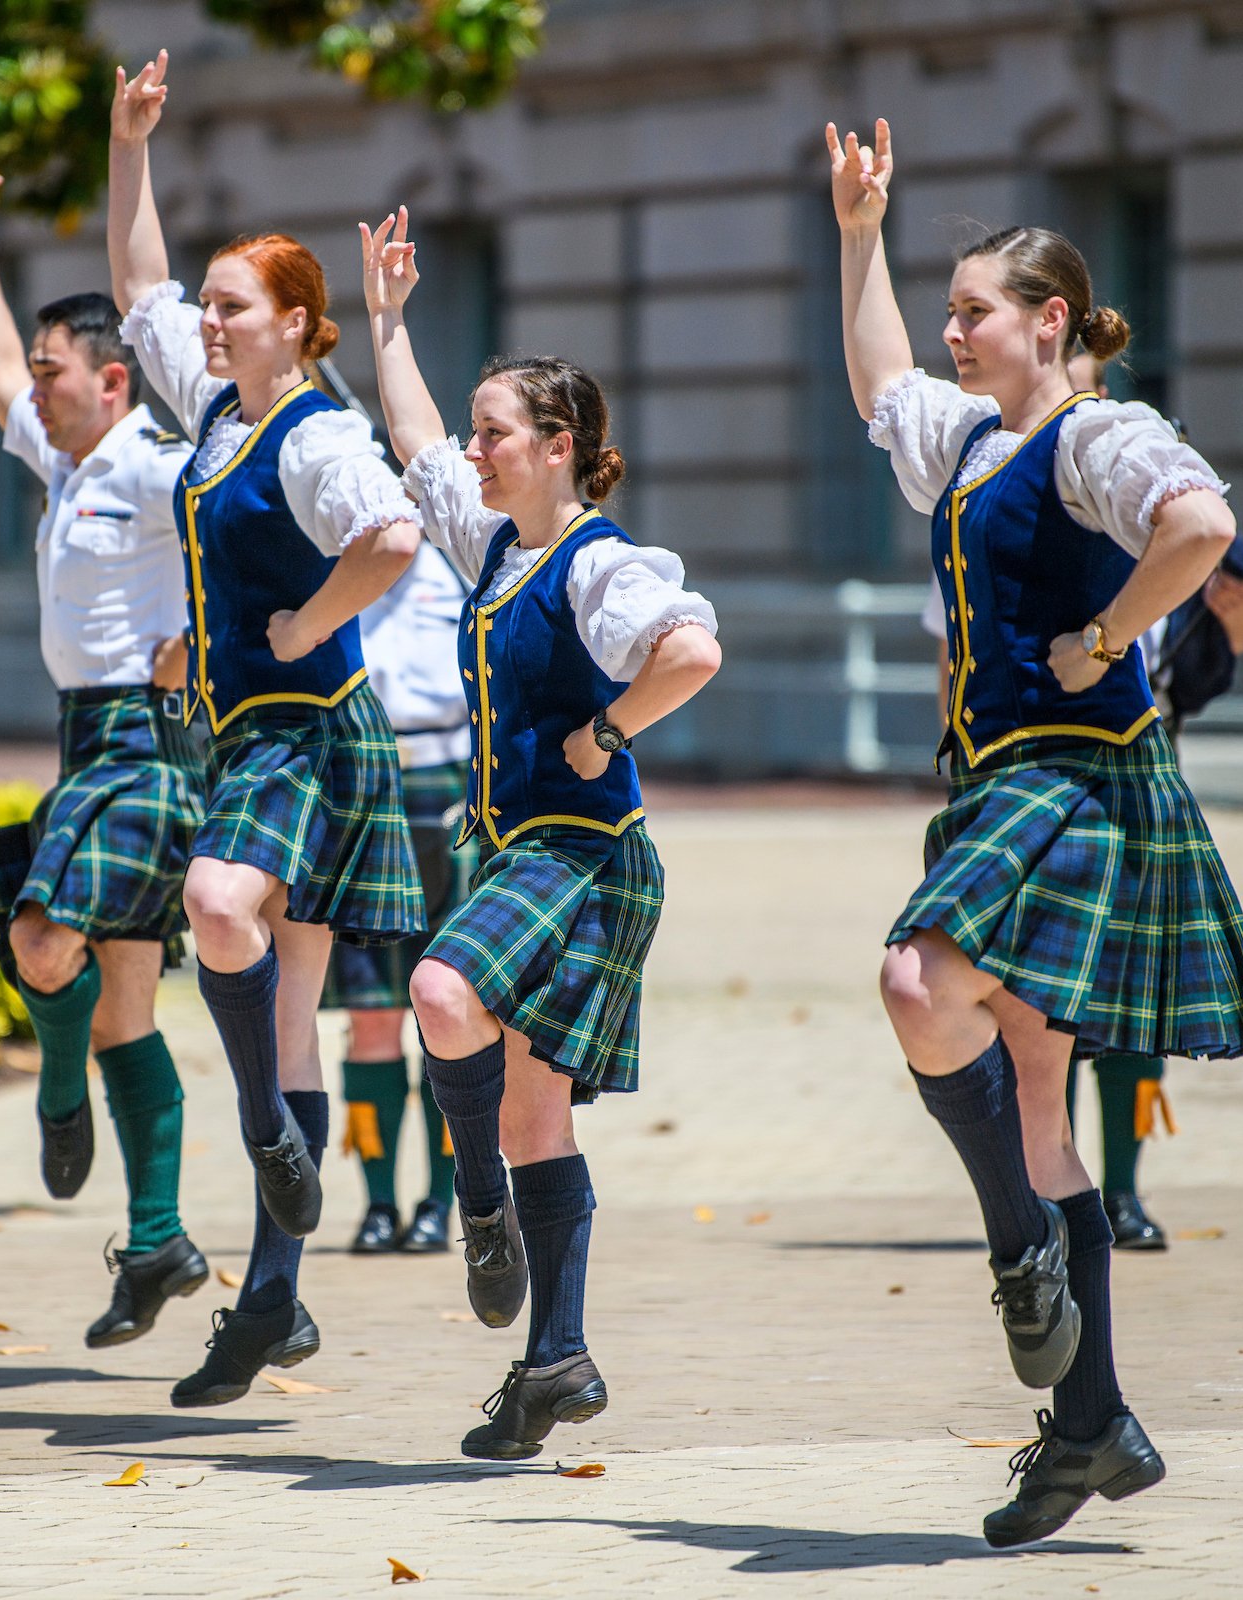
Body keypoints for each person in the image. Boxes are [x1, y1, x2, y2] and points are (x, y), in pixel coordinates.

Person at [831, 119, 1243, 1545]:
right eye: (952, 308)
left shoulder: (1096, 435)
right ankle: (1091, 1428)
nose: (952, 333)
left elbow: (1201, 527)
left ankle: (1026, 1255)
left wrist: (1106, 634)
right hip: (998, 780)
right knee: (1034, 1095)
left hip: (1076, 777)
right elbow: (879, 383)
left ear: (1052, 323)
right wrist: (859, 234)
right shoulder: (968, 438)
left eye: (975, 312)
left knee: (918, 981)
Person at [362, 208, 723, 1460]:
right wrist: (389, 324)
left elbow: (692, 650)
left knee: (439, 989)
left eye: (496, 435)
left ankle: (476, 1209)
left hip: (585, 856)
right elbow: (413, 442)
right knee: (533, 1118)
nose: (474, 451)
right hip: (531, 855)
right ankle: (555, 1361)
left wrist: (608, 729)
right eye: (477, 434)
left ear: (560, 445)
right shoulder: (500, 550)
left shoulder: (593, 561)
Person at [106, 52, 429, 1408]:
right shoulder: (221, 413)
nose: (213, 323)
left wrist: (302, 629)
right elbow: (137, 292)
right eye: (218, 309)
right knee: (289, 1019)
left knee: (216, 910)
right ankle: (275, 1306)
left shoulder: (307, 433)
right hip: (257, 737)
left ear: (296, 325)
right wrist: (130, 151)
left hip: (311, 731)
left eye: (237, 308)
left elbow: (396, 535)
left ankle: (263, 1144)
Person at [0, 162, 212, 1348]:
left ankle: (58, 1099)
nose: (35, 393)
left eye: (58, 377)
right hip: (84, 741)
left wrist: (199, 645)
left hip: (148, 746)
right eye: (43, 377)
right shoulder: (64, 459)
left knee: (41, 942)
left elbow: (266, 552)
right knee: (123, 1012)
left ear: (115, 380)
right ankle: (158, 1242)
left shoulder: (158, 464)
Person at [921, 352, 1243, 1252]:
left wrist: (1221, 616)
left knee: (1135, 1029)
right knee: (1042, 1008)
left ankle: (1125, 1188)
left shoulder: (1138, 502)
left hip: (1137, 765)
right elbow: (955, 650)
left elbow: (1220, 632)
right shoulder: (1016, 517)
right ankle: (1055, 1175)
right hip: (1031, 777)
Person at [322, 535, 473, 1256]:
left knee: (448, 1018)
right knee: (373, 1018)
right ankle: (379, 1204)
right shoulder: (338, 572)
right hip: (365, 797)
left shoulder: (464, 562)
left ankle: (440, 1207)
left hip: (448, 795)